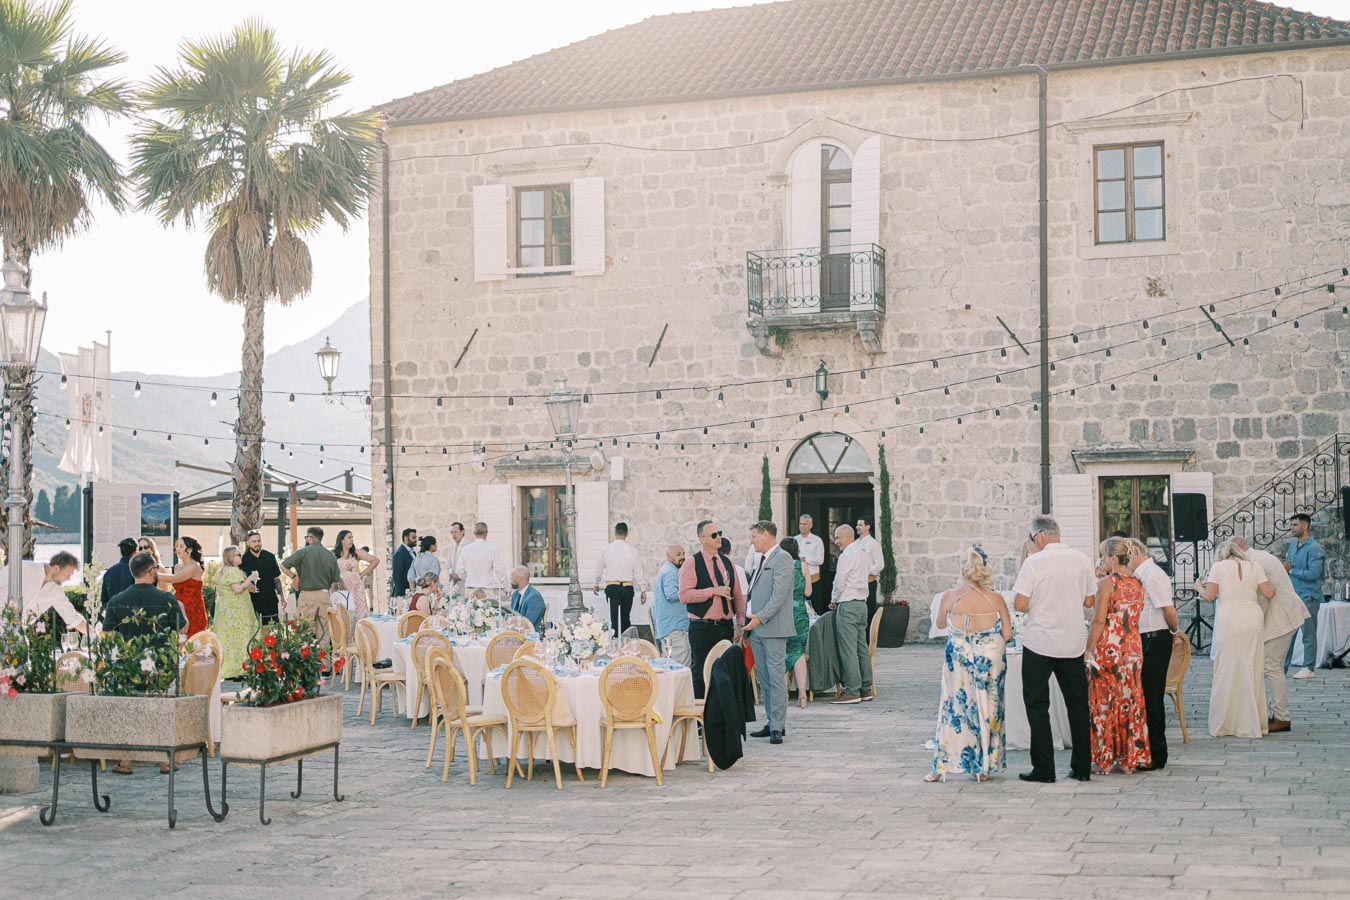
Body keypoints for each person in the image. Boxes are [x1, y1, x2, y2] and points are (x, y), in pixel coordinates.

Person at [1012, 515, 1095, 783]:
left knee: (1037, 706)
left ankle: (1045, 769)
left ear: (1038, 536)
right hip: (1072, 642)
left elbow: (1020, 604)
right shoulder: (1082, 560)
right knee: (1078, 707)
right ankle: (1082, 768)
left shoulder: (1033, 562)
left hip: (1040, 641)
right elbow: (1089, 600)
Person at [927, 547, 1011, 783]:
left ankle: (943, 766)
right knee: (988, 709)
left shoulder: (950, 596)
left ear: (963, 571)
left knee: (954, 708)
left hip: (960, 658)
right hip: (990, 660)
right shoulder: (996, 598)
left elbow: (941, 624)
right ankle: (983, 766)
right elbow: (1007, 632)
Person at [103, 551, 187, 775]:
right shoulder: (166, 599)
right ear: (152, 572)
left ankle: (126, 760)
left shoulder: (117, 601)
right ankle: (165, 760)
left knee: (127, 712)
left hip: (128, 667)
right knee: (164, 710)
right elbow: (181, 628)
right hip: (161, 665)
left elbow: (107, 636)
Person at [1196, 539, 1275, 738]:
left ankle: (1227, 723)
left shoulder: (1218, 567)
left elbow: (1210, 595)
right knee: (1251, 666)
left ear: (1222, 553)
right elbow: (1269, 593)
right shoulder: (1255, 566)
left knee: (1227, 667)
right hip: (1251, 617)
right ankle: (1253, 721)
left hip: (1229, 619)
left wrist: (1198, 587)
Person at [1085, 537, 1150, 775]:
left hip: (1109, 649)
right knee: (1129, 702)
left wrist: (1087, 650)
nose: (1101, 561)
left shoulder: (1107, 583)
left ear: (1112, 558)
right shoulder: (1138, 582)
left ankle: (1104, 760)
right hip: (1133, 648)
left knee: (1103, 704)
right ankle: (1128, 758)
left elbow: (1099, 620)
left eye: (1103, 556)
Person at [1234, 536, 1310, 734]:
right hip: (1281, 616)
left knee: (1272, 666)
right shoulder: (1258, 556)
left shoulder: (1255, 562)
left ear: (1239, 549)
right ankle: (1272, 712)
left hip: (1281, 617)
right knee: (1270, 666)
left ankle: (1281, 717)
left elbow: (1265, 595)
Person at [1127, 539, 1179, 770]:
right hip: (1145, 637)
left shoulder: (1152, 574)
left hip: (1155, 637)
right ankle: (1145, 748)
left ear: (1136, 552)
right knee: (1144, 696)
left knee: (1151, 696)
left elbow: (1167, 608)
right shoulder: (1140, 574)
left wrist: (1174, 631)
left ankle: (1158, 753)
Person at [678, 520, 745, 698]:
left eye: (719, 533)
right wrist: (712, 591)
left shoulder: (727, 562)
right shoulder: (692, 563)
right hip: (702, 626)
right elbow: (684, 595)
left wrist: (740, 622)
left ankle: (723, 720)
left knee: (725, 674)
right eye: (714, 535)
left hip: (725, 626)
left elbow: (738, 594)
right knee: (701, 673)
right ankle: (701, 721)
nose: (719, 538)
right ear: (702, 539)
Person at [743, 521, 794, 745]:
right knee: (764, 679)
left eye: (754, 536)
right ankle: (772, 720)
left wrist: (759, 618)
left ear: (765, 535)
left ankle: (777, 726)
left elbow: (779, 596)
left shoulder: (783, 558)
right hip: (756, 629)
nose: (751, 540)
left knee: (775, 678)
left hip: (772, 628)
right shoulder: (760, 559)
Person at [829, 524, 874, 705]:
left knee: (848, 649)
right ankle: (865, 688)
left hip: (848, 603)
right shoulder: (863, 553)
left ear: (848, 536)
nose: (836, 541)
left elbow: (840, 581)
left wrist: (834, 598)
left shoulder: (846, 555)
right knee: (861, 648)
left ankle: (852, 691)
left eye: (838, 537)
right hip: (862, 604)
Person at [281, 526, 341, 654]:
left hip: (307, 595)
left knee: (304, 632)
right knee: (324, 633)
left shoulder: (303, 552)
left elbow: (284, 565)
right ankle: (325, 669)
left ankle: (305, 667)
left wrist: (294, 577)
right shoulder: (330, 555)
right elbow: (336, 578)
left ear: (310, 538)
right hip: (324, 595)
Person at [0, 550, 87, 636]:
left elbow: (73, 618)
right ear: (56, 568)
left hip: (16, 638)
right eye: (67, 574)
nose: (68, 579)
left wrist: (96, 637)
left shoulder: (56, 591)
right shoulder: (24, 568)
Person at [1284, 513, 1325, 679]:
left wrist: (1292, 570)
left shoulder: (1315, 549)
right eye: (1291, 525)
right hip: (1294, 595)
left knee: (1308, 633)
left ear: (1305, 526)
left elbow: (1314, 574)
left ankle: (1309, 668)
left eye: (1295, 525)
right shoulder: (1293, 546)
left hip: (1309, 597)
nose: (1291, 528)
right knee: (1288, 634)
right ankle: (1282, 668)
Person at [593, 522, 646, 636]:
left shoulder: (606, 549)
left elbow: (599, 568)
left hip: (612, 587)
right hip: (627, 587)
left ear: (615, 533)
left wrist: (596, 583)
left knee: (615, 619)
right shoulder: (632, 551)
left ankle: (616, 645)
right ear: (626, 534)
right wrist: (643, 589)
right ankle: (626, 645)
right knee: (626, 618)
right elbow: (638, 571)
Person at [213, 545, 255, 681]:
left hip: (224, 610)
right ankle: (241, 669)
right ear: (231, 557)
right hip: (236, 611)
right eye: (237, 555)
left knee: (228, 639)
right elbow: (237, 589)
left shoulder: (221, 571)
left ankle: (229, 670)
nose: (240, 557)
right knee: (241, 637)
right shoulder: (233, 571)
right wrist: (251, 578)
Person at [780, 537, 811, 709]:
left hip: (784, 614)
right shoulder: (804, 566)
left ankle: (784, 695)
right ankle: (803, 695)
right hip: (800, 614)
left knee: (784, 653)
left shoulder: (781, 567)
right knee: (798, 653)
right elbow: (808, 592)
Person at [158, 536, 207, 637]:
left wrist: (153, 574)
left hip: (193, 608)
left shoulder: (195, 566)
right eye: (176, 546)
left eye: (181, 546)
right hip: (179, 606)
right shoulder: (177, 567)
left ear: (189, 549)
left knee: (192, 642)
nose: (178, 549)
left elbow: (175, 579)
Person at [651, 543, 689, 665]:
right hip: (675, 627)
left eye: (683, 554)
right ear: (668, 557)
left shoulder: (667, 570)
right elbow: (672, 594)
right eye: (678, 554)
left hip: (670, 626)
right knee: (681, 666)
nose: (682, 557)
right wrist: (689, 592)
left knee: (672, 665)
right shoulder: (670, 572)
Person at [333, 529, 378, 620]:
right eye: (349, 538)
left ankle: (358, 634)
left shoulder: (356, 553)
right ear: (342, 540)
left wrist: (361, 574)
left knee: (359, 616)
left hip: (357, 589)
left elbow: (375, 560)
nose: (352, 540)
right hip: (342, 589)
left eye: (352, 537)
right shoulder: (333, 554)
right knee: (343, 617)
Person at [239, 529, 282, 622]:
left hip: (271, 601)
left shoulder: (270, 557)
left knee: (273, 632)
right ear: (248, 543)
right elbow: (240, 580)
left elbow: (276, 579)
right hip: (252, 603)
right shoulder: (243, 560)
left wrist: (282, 597)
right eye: (254, 541)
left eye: (259, 541)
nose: (257, 543)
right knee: (256, 632)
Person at [455, 522, 506, 596]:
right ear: (486, 533)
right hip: (487, 590)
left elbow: (460, 570)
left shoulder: (465, 550)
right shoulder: (492, 549)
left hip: (470, 589)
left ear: (474, 534)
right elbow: (499, 570)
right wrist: (506, 586)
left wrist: (469, 577)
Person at [855, 515, 884, 623]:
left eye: (860, 525)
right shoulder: (855, 544)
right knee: (858, 612)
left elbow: (880, 564)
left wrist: (865, 571)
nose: (857, 527)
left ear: (868, 527)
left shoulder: (874, 544)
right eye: (857, 525)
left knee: (868, 612)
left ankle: (868, 639)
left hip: (869, 582)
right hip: (857, 583)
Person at [100, 538, 137, 605]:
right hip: (131, 612)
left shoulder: (109, 572)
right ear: (135, 552)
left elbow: (104, 599)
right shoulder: (137, 571)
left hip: (113, 611)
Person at [508, 565, 546, 632]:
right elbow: (511, 615)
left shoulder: (534, 597)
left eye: (511, 577)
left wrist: (507, 623)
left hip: (531, 636)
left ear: (518, 578)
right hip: (516, 633)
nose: (510, 579)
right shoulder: (515, 594)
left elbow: (527, 624)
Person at [391, 527, 418, 601]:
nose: (416, 540)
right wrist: (402, 594)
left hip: (411, 591)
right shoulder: (399, 553)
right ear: (406, 538)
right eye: (413, 538)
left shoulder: (412, 552)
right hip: (404, 594)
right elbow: (397, 575)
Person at [445, 521, 468, 599]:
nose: (453, 534)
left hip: (465, 583)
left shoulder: (468, 546)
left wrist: (459, 576)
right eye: (452, 532)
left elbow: (470, 566)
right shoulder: (451, 547)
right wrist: (450, 573)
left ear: (462, 532)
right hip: (454, 584)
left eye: (455, 532)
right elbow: (448, 564)